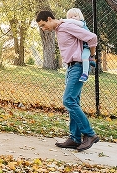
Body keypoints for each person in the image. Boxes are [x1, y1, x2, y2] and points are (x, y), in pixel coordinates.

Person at [36, 9, 100, 151]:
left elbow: (92, 37)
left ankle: (89, 134)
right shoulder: (60, 28)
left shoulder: (66, 26)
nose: (43, 29)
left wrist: (91, 57)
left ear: (49, 19)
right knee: (74, 101)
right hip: (71, 67)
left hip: (78, 66)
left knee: (68, 100)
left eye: (43, 25)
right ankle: (75, 138)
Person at [61, 8, 97, 82]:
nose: (73, 18)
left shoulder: (81, 23)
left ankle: (85, 74)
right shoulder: (72, 26)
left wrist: (63, 20)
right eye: (71, 17)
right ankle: (91, 59)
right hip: (80, 46)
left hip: (86, 46)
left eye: (75, 16)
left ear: (80, 17)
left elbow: (73, 22)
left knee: (84, 56)